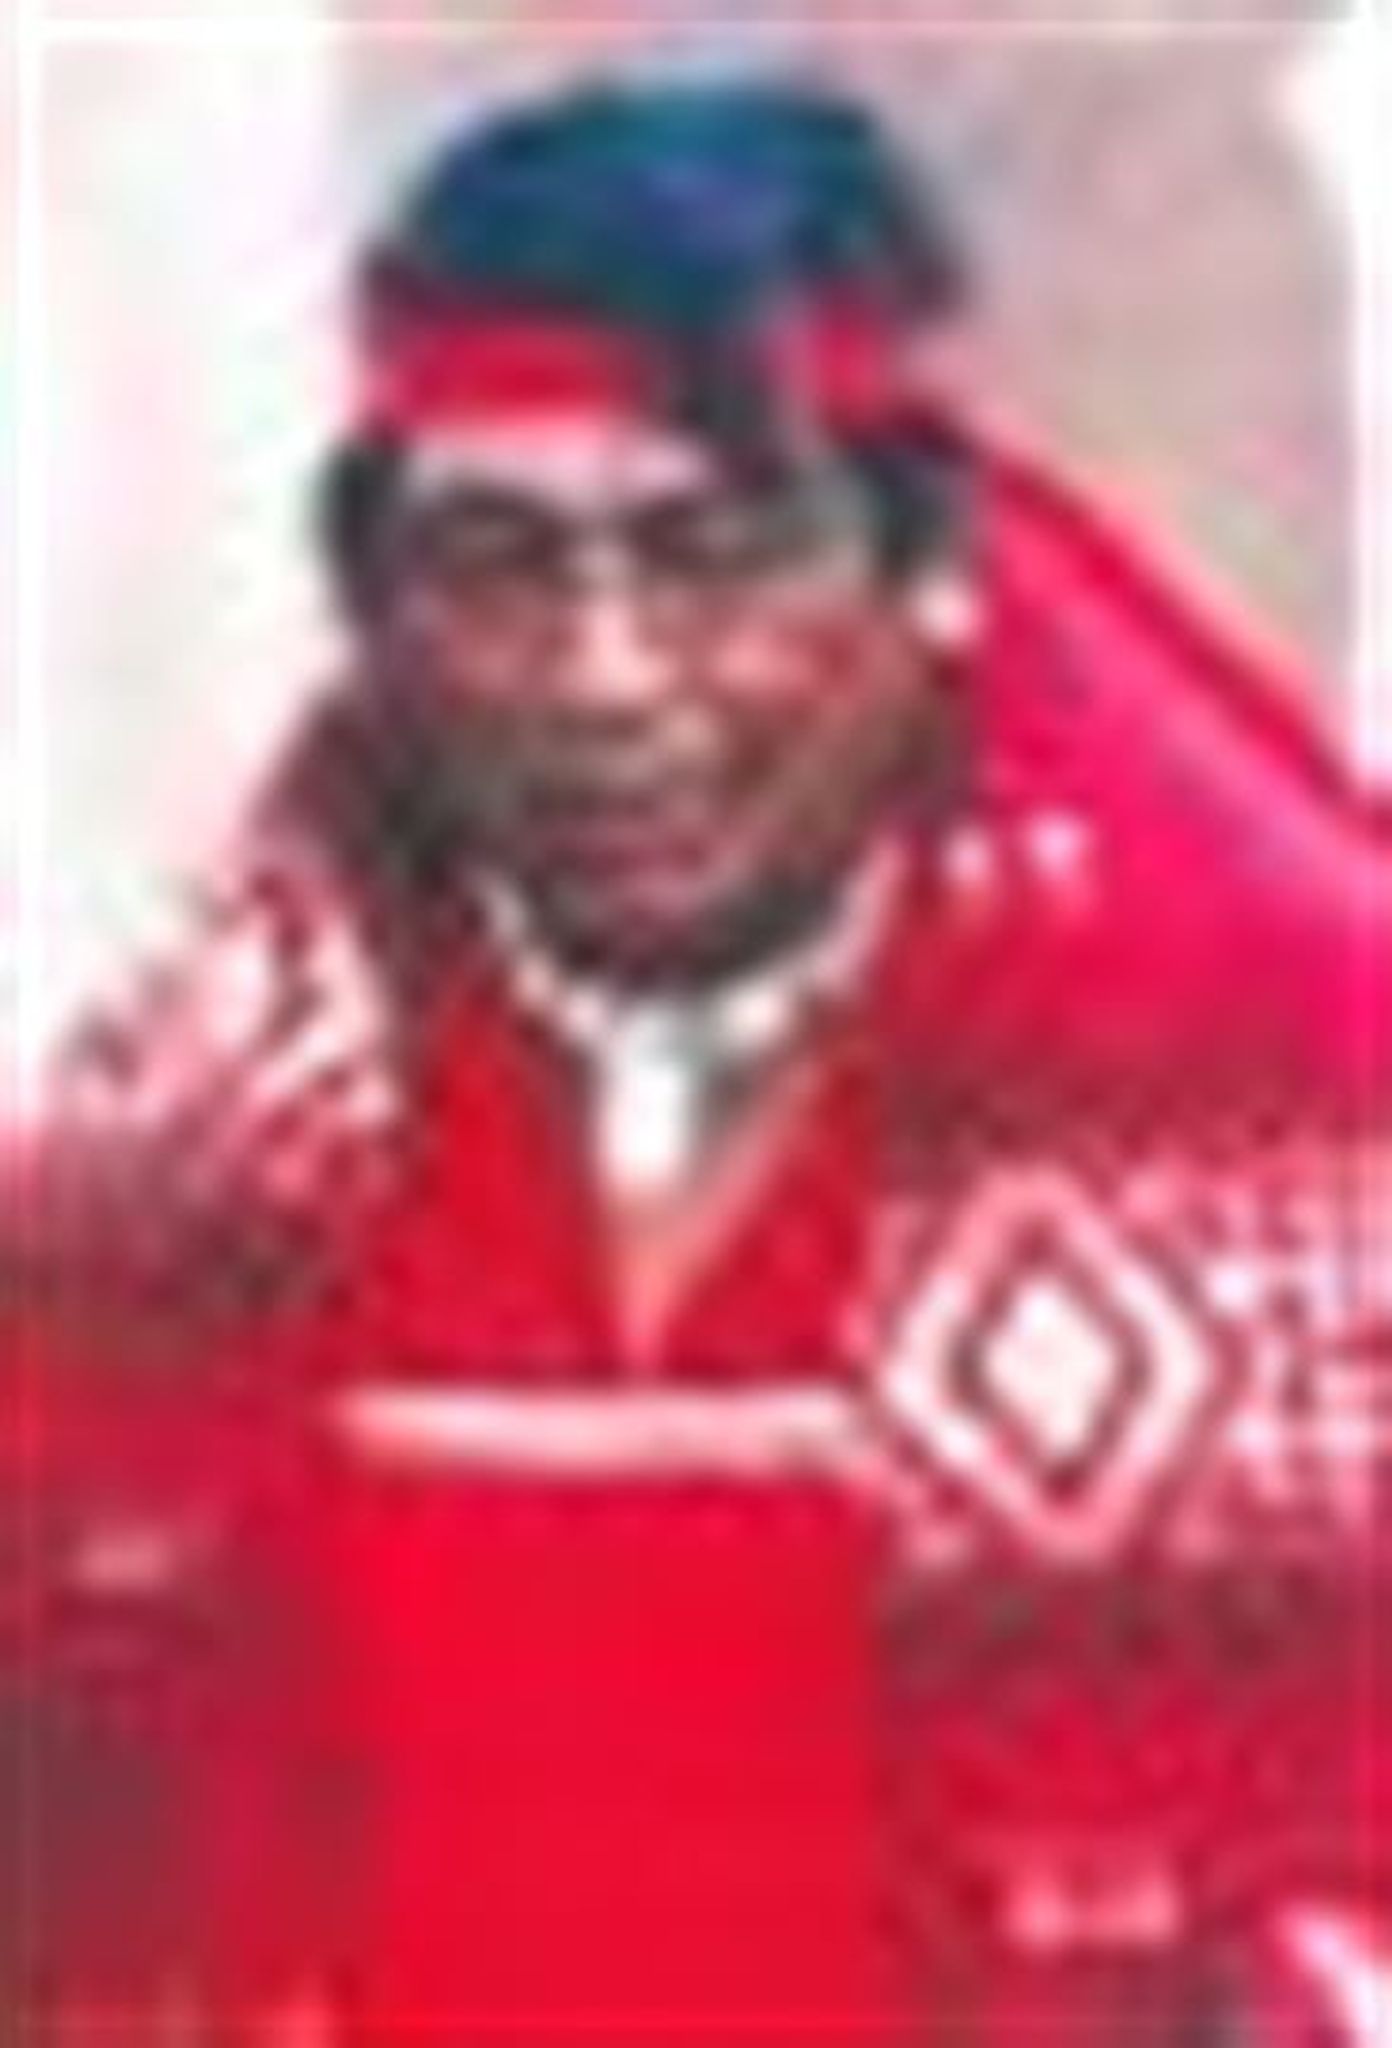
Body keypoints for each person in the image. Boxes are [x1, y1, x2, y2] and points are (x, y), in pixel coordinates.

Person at [5, 77, 1390, 2044]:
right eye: (495, 561)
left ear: (924, 568)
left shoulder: (1292, 1114)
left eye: (716, 553)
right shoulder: (193, 1168)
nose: (607, 676)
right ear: (380, 615)